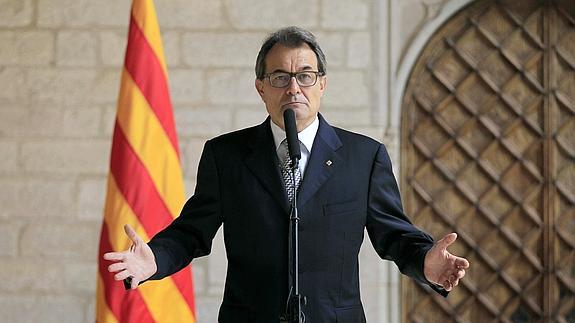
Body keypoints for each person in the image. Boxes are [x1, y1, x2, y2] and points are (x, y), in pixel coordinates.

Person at [104, 26, 469, 323]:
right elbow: (191, 232)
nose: (294, 87)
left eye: (305, 76)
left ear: (322, 84)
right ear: (260, 87)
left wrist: (425, 262)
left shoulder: (364, 156)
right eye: (280, 77)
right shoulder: (226, 155)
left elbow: (393, 234)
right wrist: (154, 259)